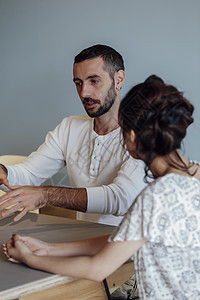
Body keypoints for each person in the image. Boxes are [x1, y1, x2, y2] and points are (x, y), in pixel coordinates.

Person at [4, 76, 200, 299]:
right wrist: (50, 248)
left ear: (133, 137)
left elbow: (97, 269)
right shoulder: (194, 176)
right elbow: (124, 238)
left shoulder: (156, 196)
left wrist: (29, 258)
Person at [0, 44, 146, 226]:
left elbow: (122, 198)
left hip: (131, 248)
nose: (84, 93)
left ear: (118, 79)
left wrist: (46, 195)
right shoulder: (70, 127)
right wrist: (3, 172)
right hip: (84, 240)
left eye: (94, 81)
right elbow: (27, 175)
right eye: (78, 83)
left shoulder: (145, 132)